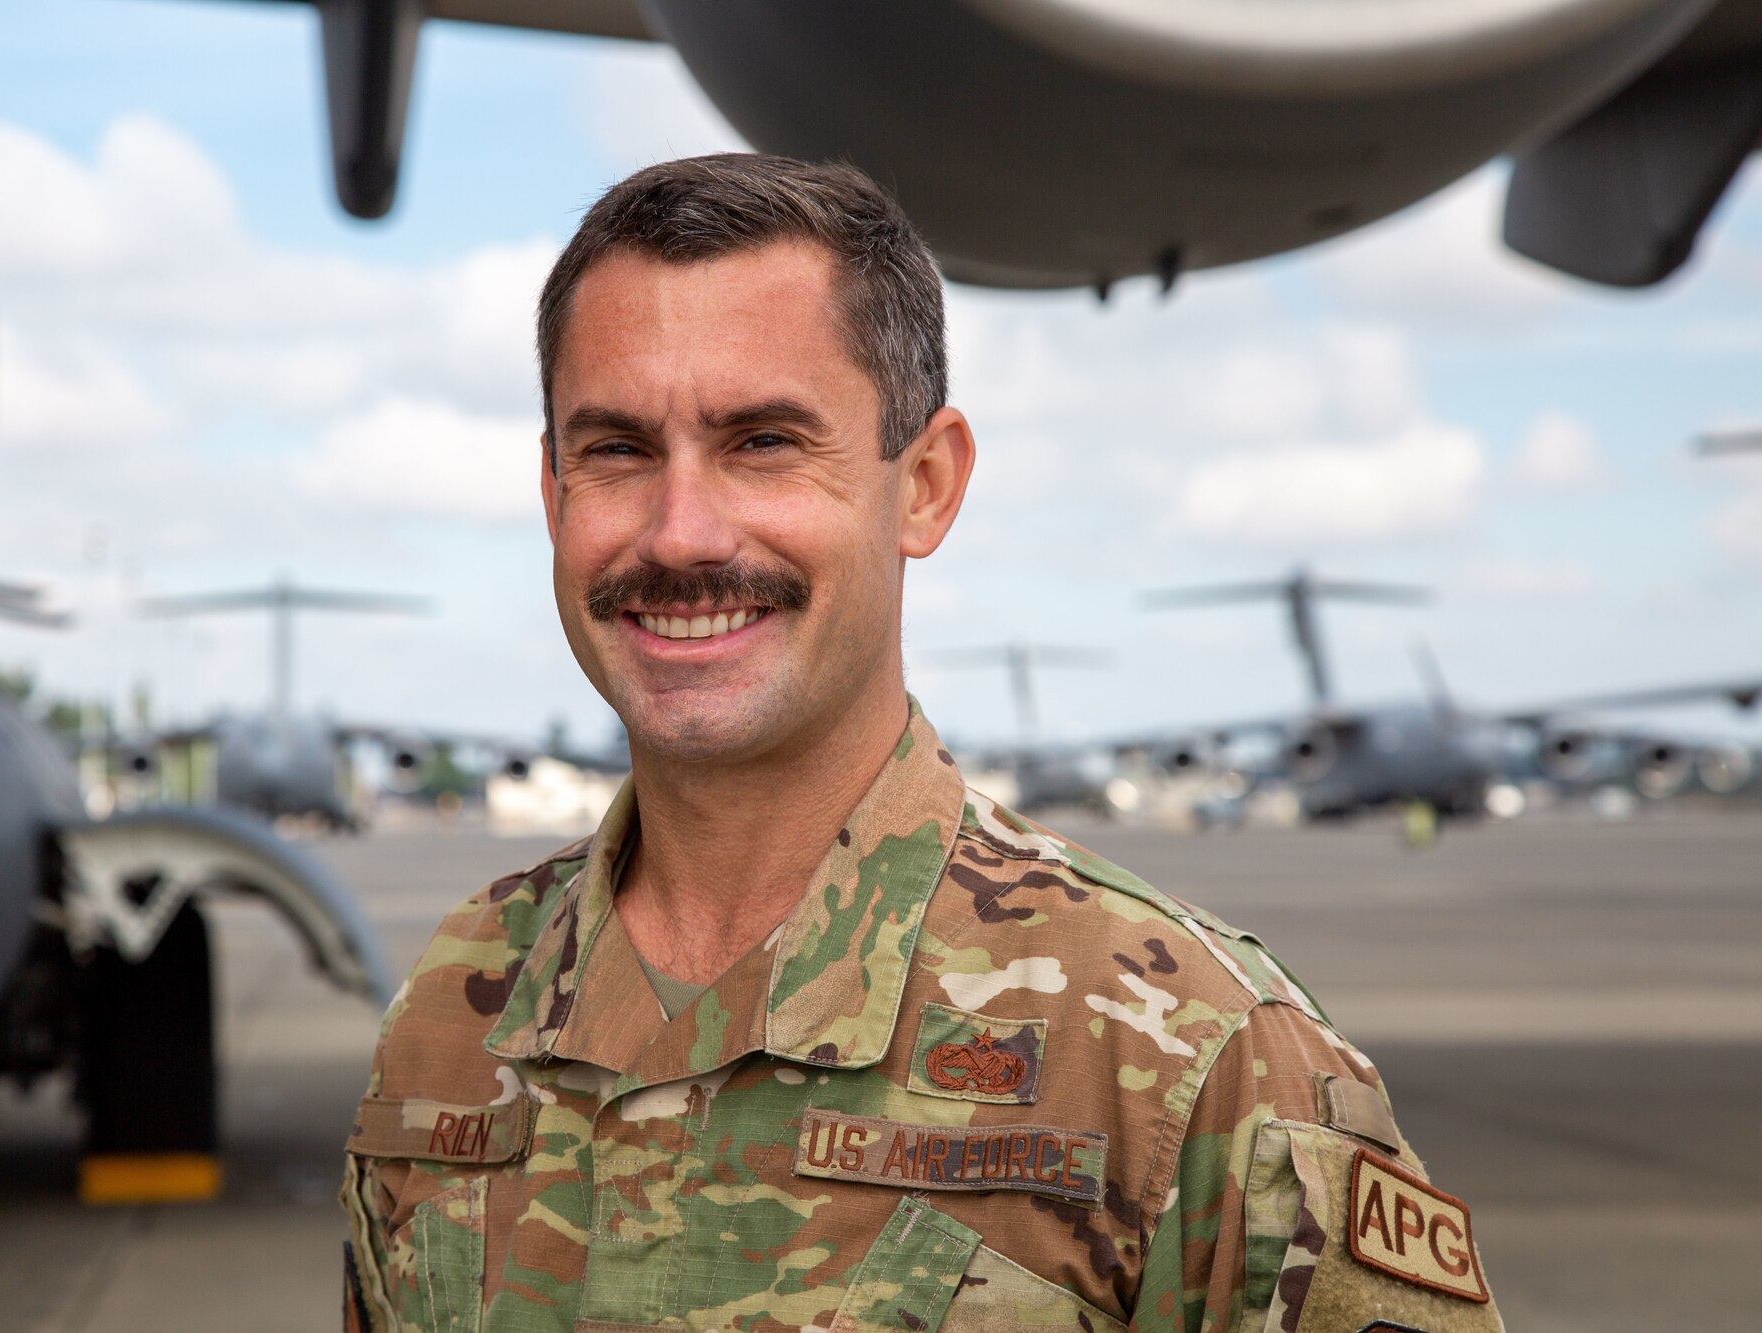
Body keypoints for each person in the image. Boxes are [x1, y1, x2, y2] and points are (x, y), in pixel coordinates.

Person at [341, 153, 1504, 1333]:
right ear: (552, 496)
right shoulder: (453, 1010)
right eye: (617, 451)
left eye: (763, 442)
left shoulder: (1186, 1055)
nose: (680, 532)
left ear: (928, 485)